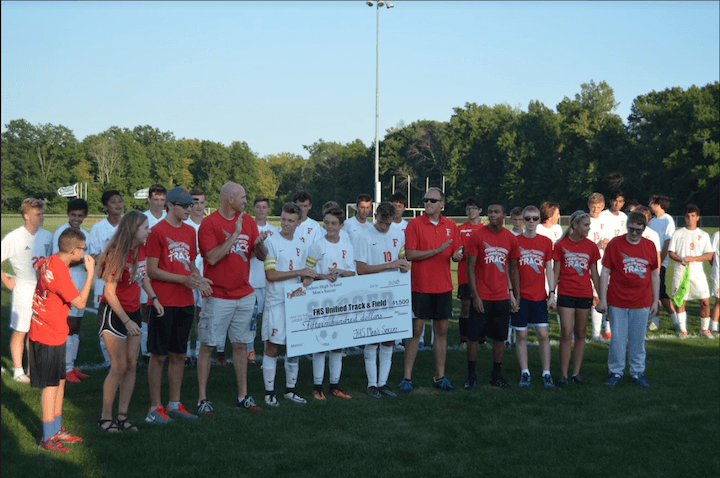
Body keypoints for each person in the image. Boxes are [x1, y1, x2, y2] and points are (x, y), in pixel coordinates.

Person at [196, 183, 267, 416]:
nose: (246, 201)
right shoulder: (209, 223)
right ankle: (202, 399)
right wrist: (234, 234)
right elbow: (213, 258)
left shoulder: (247, 221)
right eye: (243, 197)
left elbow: (260, 256)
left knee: (240, 345)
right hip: (217, 296)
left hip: (244, 294)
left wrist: (260, 244)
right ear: (229, 199)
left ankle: (243, 396)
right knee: (207, 346)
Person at [145, 187, 212, 424]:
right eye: (184, 205)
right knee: (159, 356)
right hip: (163, 302)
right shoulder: (156, 231)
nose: (189, 209)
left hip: (185, 300)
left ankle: (174, 403)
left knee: (179, 355)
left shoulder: (189, 231)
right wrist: (184, 279)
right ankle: (155, 408)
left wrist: (198, 278)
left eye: (190, 205)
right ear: (170, 206)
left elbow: (190, 263)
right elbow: (152, 270)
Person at [96, 211, 163, 432]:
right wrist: (126, 321)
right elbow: (109, 292)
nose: (149, 231)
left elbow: (142, 277)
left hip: (133, 312)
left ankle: (123, 416)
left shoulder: (141, 248)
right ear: (133, 229)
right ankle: (106, 418)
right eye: (145, 227)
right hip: (114, 313)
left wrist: (154, 298)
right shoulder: (117, 253)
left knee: (132, 365)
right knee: (119, 366)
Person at [29, 228, 94, 451]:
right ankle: (48, 438)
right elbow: (81, 303)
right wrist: (90, 274)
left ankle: (56, 429)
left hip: (54, 331)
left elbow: (38, 268)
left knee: (59, 381)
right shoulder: (59, 271)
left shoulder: (51, 260)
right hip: (46, 334)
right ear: (75, 250)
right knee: (50, 386)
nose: (84, 254)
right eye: (83, 250)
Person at [399, 187, 461, 393]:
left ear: (442, 204)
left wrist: (457, 256)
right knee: (415, 331)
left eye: (433, 200)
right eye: (426, 200)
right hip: (420, 286)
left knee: (441, 331)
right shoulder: (414, 225)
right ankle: (407, 377)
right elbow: (410, 254)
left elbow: (455, 252)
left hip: (443, 286)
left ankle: (440, 376)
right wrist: (436, 251)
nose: (428, 203)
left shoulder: (451, 225)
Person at [262, 202, 318, 406]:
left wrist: (308, 278)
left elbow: (305, 274)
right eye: (284, 219)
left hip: (296, 303)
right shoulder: (271, 242)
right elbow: (271, 274)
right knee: (273, 347)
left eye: (291, 221)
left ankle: (290, 391)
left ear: (298, 223)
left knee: (295, 347)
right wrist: (299, 273)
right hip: (276, 302)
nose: (286, 224)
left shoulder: (302, 244)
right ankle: (269, 392)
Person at [597, 212, 659, 388]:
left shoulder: (649, 245)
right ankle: (615, 371)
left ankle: (637, 372)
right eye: (631, 229)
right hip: (618, 299)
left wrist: (655, 301)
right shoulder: (615, 244)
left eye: (637, 230)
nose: (633, 233)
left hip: (641, 300)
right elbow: (605, 271)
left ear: (643, 229)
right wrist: (603, 299)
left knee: (638, 339)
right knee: (617, 338)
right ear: (627, 226)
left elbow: (655, 274)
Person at [355, 202, 409, 398]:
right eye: (381, 222)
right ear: (375, 216)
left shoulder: (398, 233)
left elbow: (402, 259)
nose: (384, 227)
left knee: (388, 339)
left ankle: (383, 383)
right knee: (371, 339)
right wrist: (389, 265)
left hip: (393, 291)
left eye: (388, 223)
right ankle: (371, 384)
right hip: (371, 292)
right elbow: (361, 269)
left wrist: (403, 266)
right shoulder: (365, 236)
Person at [464, 201, 520, 389]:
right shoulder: (477, 236)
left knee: (499, 338)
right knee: (473, 337)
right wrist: (475, 295)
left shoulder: (510, 238)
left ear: (504, 215)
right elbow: (469, 267)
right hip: (482, 296)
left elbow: (513, 269)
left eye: (497, 212)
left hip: (501, 297)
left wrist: (515, 295)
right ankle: (471, 375)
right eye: (490, 212)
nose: (493, 215)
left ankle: (496, 374)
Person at [306, 206, 356, 400]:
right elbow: (307, 271)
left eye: (334, 223)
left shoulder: (347, 245)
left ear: (341, 225)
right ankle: (317, 386)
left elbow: (352, 271)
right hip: (320, 298)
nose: (329, 227)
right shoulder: (317, 245)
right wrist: (322, 276)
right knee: (320, 342)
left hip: (341, 299)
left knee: (338, 343)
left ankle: (335, 385)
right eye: (326, 222)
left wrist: (340, 272)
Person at [2, 198, 53, 383]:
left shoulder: (48, 236)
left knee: (38, 330)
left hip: (44, 289)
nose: (42, 217)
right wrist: (7, 280)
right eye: (38, 214)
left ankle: (35, 368)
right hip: (24, 287)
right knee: (21, 329)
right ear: (26, 215)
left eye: (42, 213)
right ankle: (17, 370)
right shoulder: (14, 237)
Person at [551, 211, 601, 387]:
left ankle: (576, 373)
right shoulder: (561, 245)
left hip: (584, 294)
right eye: (585, 225)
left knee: (580, 333)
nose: (588, 228)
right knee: (566, 333)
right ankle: (563, 375)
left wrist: (601, 296)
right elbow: (555, 271)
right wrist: (552, 293)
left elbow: (594, 272)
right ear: (574, 226)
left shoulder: (591, 247)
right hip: (566, 293)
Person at [512, 205, 555, 388]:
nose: (530, 222)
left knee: (543, 335)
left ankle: (546, 373)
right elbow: (510, 269)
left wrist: (552, 293)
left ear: (539, 220)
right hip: (521, 296)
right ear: (522, 219)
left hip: (539, 296)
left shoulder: (545, 242)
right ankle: (525, 372)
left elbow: (550, 269)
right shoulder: (515, 241)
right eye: (527, 218)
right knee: (520, 335)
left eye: (534, 218)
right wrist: (511, 293)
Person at [51, 199, 90, 384]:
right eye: (73, 215)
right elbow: (59, 259)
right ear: (68, 214)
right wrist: (85, 260)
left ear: (85, 216)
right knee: (67, 328)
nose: (76, 218)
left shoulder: (84, 233)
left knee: (75, 328)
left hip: (79, 284)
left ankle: (71, 365)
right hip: (66, 286)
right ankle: (65, 368)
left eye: (80, 215)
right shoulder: (62, 233)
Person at [88, 190, 124, 367]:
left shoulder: (127, 225)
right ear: (105, 207)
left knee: (125, 318)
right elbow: (93, 256)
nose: (118, 204)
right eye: (113, 202)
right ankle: (109, 361)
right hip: (104, 281)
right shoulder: (98, 229)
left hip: (125, 282)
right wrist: (112, 258)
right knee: (106, 321)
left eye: (120, 201)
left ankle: (125, 359)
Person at [668, 204, 714, 338]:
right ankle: (683, 331)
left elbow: (709, 255)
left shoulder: (704, 235)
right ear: (684, 218)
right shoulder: (678, 233)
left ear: (698, 217)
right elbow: (671, 253)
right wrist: (680, 259)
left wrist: (694, 258)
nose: (690, 218)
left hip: (698, 273)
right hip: (680, 272)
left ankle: (704, 329)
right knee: (680, 301)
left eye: (693, 216)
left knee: (705, 301)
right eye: (688, 216)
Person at [248, 196, 279, 364]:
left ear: (268, 209)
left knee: (269, 319)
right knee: (250, 319)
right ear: (254, 209)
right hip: (251, 280)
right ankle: (249, 350)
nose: (261, 210)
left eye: (264, 207)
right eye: (258, 206)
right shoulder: (248, 228)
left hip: (268, 281)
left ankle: (269, 348)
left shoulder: (274, 230)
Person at [140, 184, 167, 369]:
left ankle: (162, 349)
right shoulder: (143, 218)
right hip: (145, 268)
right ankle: (145, 351)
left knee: (164, 311)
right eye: (155, 199)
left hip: (165, 271)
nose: (159, 203)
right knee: (145, 312)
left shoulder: (169, 218)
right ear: (149, 199)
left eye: (162, 200)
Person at [647, 195, 678, 331]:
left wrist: (660, 260)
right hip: (650, 261)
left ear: (659, 204)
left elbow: (667, 241)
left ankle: (656, 321)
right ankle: (675, 320)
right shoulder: (652, 221)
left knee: (657, 292)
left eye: (652, 203)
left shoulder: (668, 220)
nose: (650, 205)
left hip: (660, 262)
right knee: (661, 293)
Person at [456, 198, 483, 346]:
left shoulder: (485, 229)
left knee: (481, 307)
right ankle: (463, 339)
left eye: (473, 208)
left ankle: (481, 338)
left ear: (480, 210)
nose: (470, 211)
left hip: (482, 276)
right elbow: (459, 251)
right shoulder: (460, 229)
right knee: (466, 306)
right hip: (464, 275)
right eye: (467, 209)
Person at [183, 187, 205, 365]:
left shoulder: (209, 223)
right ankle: (184, 351)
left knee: (201, 315)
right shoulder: (185, 225)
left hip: (205, 277)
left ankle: (198, 352)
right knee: (186, 315)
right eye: (195, 202)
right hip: (186, 276)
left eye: (202, 202)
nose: (198, 206)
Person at [586, 192, 610, 343]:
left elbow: (608, 241)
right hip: (586, 265)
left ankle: (597, 333)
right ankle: (576, 332)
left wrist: (605, 245)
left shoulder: (605, 221)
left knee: (599, 298)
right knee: (584, 299)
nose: (595, 210)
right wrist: (597, 245)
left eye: (598, 207)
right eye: (593, 207)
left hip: (601, 265)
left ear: (602, 206)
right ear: (589, 206)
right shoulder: (584, 220)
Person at [711, 231, 720, 337]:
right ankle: (714, 327)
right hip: (718, 274)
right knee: (719, 300)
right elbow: (711, 255)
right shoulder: (717, 235)